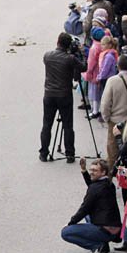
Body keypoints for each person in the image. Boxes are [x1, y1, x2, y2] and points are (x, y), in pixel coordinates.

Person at [61, 158, 121, 253]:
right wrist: (84, 170)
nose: (92, 173)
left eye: (95, 170)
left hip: (106, 230)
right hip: (114, 228)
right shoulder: (109, 184)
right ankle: (104, 245)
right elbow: (93, 185)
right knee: (89, 215)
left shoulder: (95, 188)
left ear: (103, 172)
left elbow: (84, 209)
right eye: (91, 170)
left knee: (66, 233)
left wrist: (70, 223)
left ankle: (96, 246)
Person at [41, 33, 84, 163]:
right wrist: (80, 54)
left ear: (57, 42)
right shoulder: (70, 58)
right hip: (64, 95)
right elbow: (83, 67)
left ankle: (44, 152)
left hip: (49, 94)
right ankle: (70, 153)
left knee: (47, 125)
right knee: (68, 125)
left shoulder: (47, 56)